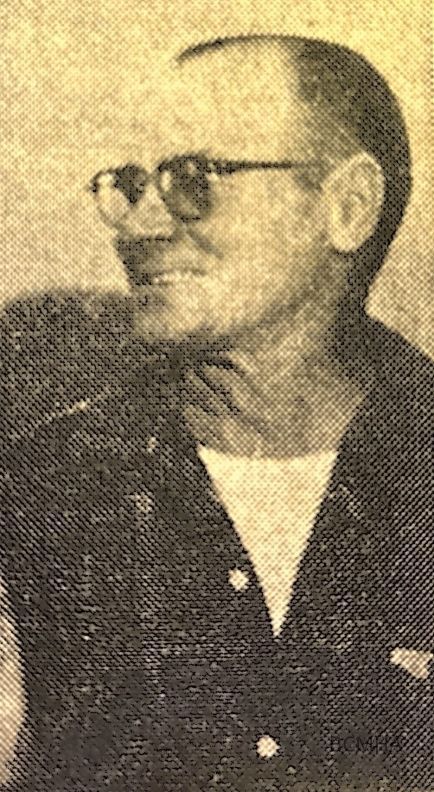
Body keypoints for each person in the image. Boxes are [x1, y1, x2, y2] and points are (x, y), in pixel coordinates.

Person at [0, 33, 433, 791]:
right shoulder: (43, 484)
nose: (137, 227)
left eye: (192, 180)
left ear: (346, 207)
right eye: (129, 185)